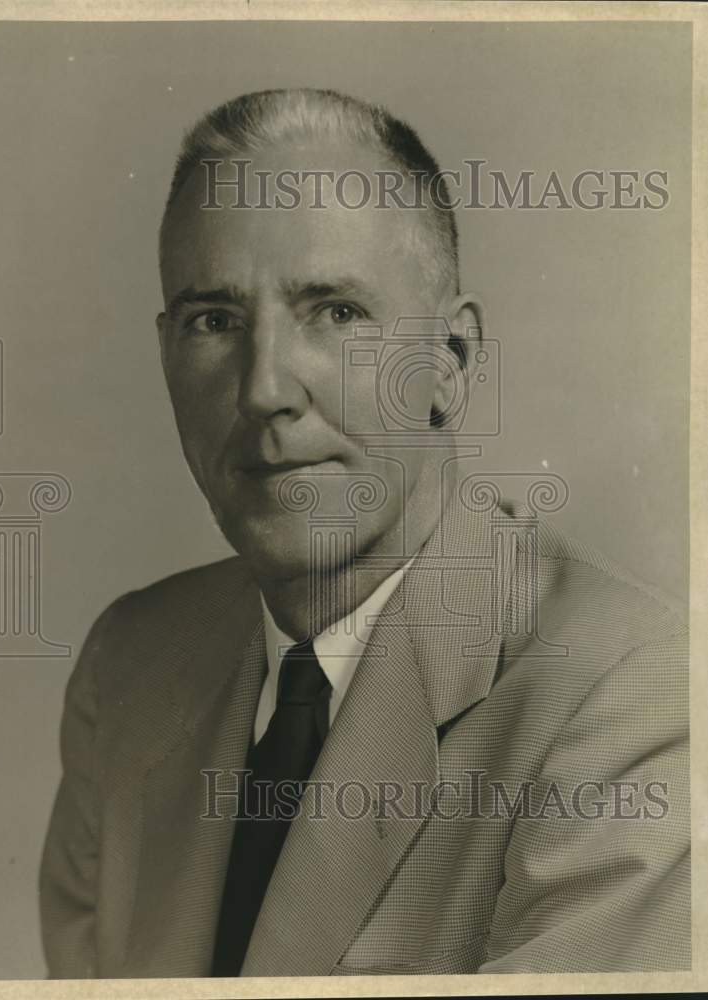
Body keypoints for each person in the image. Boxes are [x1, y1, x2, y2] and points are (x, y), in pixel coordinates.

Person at [39, 89, 689, 978]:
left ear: (449, 364)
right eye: (213, 321)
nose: (264, 386)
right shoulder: (129, 666)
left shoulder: (634, 694)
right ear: (165, 358)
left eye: (335, 312)